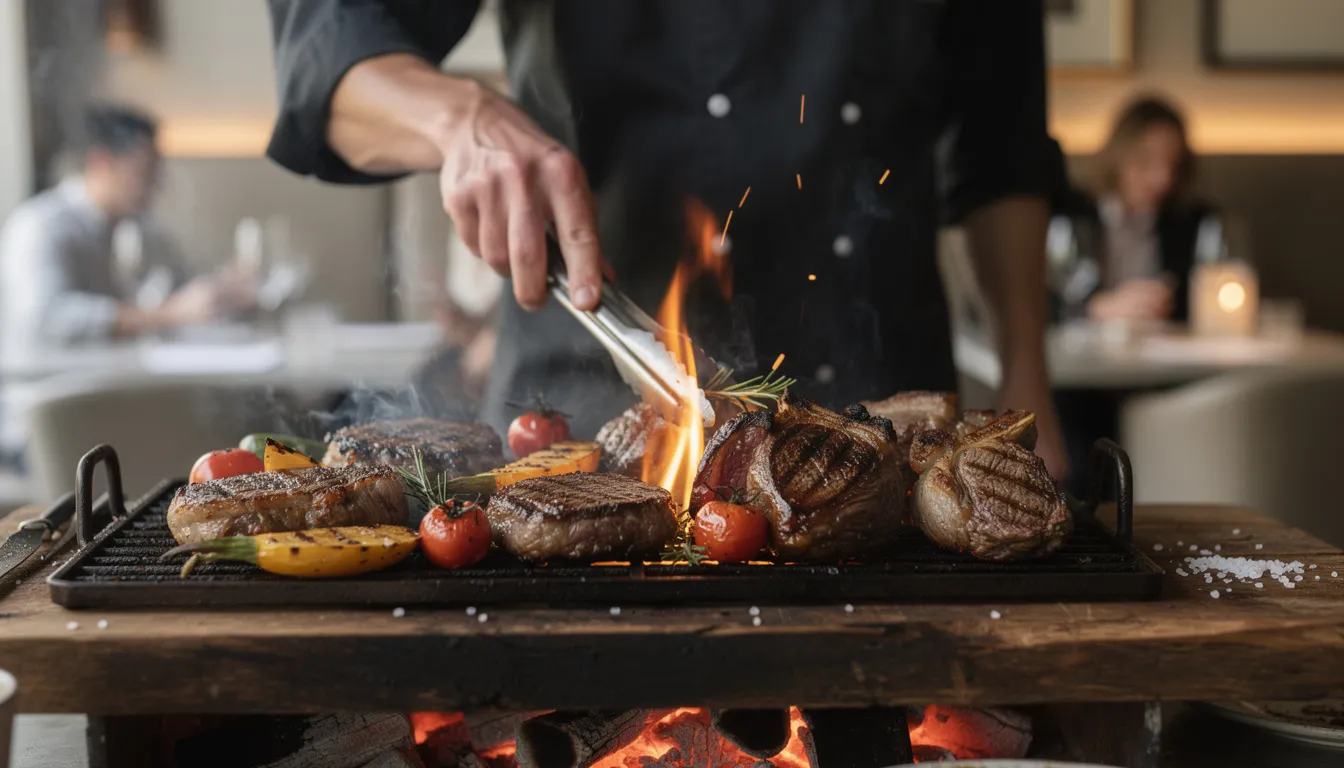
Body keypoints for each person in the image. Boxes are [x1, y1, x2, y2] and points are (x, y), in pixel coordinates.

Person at [264, 0, 1068, 480]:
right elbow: (329, 46)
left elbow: (1002, 147)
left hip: (888, 424)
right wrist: (456, 117)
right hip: (589, 423)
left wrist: (1027, 373)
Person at [0, 104, 255, 353]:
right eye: (145, 171)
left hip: (107, 380)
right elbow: (48, 318)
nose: (157, 185)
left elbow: (182, 285)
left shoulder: (139, 229)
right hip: (47, 389)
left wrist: (220, 288)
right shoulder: (40, 226)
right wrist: (168, 315)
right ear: (101, 163)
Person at [1051, 95, 1215, 324]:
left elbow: (1203, 305)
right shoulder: (1069, 213)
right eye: (1146, 161)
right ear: (1119, 155)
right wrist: (1096, 308)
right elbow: (1035, 299)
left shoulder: (1190, 223)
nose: (1162, 179)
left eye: (1173, 164)